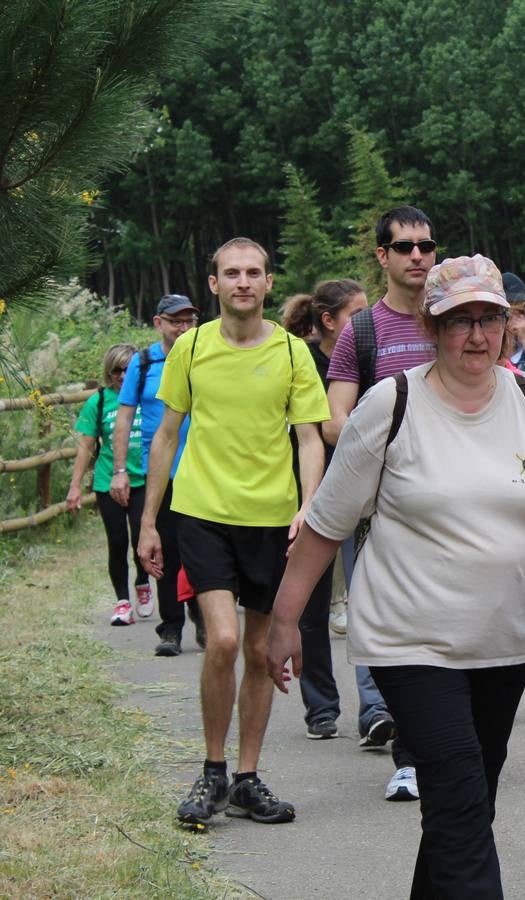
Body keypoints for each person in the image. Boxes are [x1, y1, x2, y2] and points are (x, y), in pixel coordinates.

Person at [265, 254, 525, 898]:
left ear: (509, 326)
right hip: (410, 642)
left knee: (467, 805)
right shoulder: (390, 404)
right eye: (459, 321)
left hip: (504, 643)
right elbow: (326, 522)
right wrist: (286, 620)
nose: (477, 335)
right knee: (459, 804)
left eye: (490, 319)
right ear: (431, 327)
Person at [136, 237, 329, 829]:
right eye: (231, 273)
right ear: (214, 284)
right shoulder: (190, 348)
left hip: (271, 519)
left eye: (254, 273)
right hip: (202, 512)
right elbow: (167, 435)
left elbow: (308, 438)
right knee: (220, 640)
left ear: (269, 283)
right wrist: (149, 520)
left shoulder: (294, 353)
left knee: (260, 650)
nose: (243, 282)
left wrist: (309, 507)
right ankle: (212, 770)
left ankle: (246, 778)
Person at [324, 205, 437, 799]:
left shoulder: (456, 318)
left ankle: (445, 742)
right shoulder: (362, 332)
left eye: (425, 245)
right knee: (397, 628)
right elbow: (334, 424)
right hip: (387, 508)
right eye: (403, 247)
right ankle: (409, 753)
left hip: (456, 506)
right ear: (382, 257)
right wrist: (395, 438)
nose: (416, 255)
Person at [280, 279, 369, 740]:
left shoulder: (367, 355)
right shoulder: (300, 361)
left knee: (369, 596)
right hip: (307, 495)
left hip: (361, 492)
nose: (367, 321)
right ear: (329, 321)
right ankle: (321, 707)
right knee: (312, 608)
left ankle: (375, 707)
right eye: (357, 313)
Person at [110, 293, 200, 657]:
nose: (182, 327)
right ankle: (171, 628)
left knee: (202, 551)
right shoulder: (143, 363)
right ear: (158, 322)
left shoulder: (204, 355)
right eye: (175, 320)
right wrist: (119, 470)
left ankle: (204, 615)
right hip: (160, 474)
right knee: (165, 550)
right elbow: (124, 418)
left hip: (203, 471)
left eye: (188, 320)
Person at [66, 343, 149, 625]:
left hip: (144, 480)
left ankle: (142, 581)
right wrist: (75, 486)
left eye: (128, 370)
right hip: (107, 482)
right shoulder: (99, 402)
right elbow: (86, 446)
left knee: (142, 539)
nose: (123, 377)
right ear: (108, 373)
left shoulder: (147, 397)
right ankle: (122, 602)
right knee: (117, 541)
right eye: (116, 371)